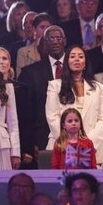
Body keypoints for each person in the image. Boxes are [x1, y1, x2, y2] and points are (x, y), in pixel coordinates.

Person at [45, 45, 103, 168]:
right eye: (72, 56)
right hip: (62, 147)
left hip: (93, 148)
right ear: (66, 62)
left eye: (80, 57)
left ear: (85, 63)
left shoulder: (98, 87)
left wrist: (87, 144)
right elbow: (52, 117)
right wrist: (70, 143)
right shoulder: (55, 86)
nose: (76, 59)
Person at [18, 25, 66, 163]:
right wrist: (30, 143)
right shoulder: (30, 73)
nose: (55, 41)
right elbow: (26, 114)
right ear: (44, 43)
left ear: (65, 41)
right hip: (42, 140)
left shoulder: (76, 68)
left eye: (58, 38)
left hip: (74, 136)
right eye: (51, 38)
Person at [0, 47, 20, 170]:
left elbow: (13, 123)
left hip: (1, 143)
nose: (1, 61)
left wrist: (15, 153)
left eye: (4, 58)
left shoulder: (9, 88)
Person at [16, 12, 53, 77]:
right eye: (42, 27)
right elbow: (20, 78)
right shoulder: (23, 52)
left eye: (48, 27)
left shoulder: (56, 50)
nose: (46, 30)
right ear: (34, 30)